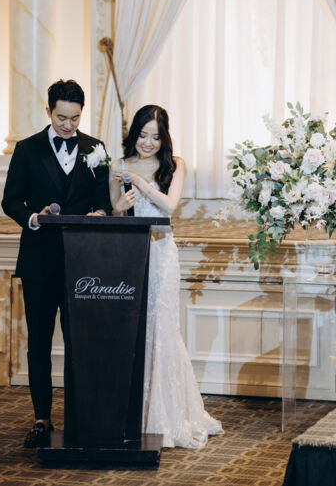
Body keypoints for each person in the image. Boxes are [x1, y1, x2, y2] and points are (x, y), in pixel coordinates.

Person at [2, 79, 111, 447]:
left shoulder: (96, 148)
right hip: (39, 261)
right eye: (62, 117)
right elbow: (10, 200)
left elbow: (103, 200)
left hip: (83, 263)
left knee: (81, 344)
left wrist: (99, 214)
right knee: (39, 344)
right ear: (48, 110)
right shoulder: (27, 149)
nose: (68, 125)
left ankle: (81, 419)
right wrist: (34, 217)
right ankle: (42, 419)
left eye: (75, 118)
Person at [109, 104, 222, 449]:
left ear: (164, 138)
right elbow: (115, 214)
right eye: (143, 135)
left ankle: (166, 414)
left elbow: (170, 207)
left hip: (162, 253)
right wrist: (119, 205)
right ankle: (132, 414)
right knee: (133, 329)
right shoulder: (118, 166)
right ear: (134, 134)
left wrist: (142, 184)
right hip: (131, 255)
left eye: (155, 137)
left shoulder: (175, 165)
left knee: (162, 327)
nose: (148, 143)